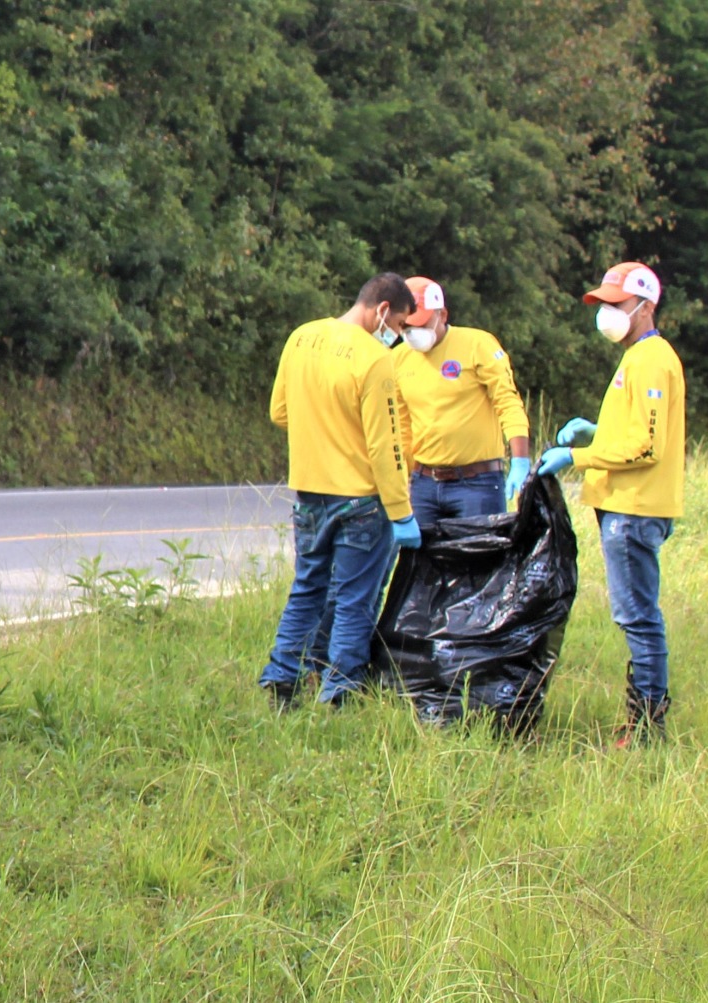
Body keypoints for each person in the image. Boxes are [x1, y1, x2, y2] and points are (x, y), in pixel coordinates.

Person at [259, 273, 423, 711]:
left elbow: (279, 412)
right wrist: (401, 512)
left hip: (309, 494)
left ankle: (282, 676)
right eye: (402, 326)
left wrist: (321, 428)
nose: (401, 336)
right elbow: (385, 447)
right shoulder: (374, 359)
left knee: (307, 588)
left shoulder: (301, 338)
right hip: (362, 502)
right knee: (354, 599)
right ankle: (339, 693)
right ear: (383, 310)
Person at [537, 261, 685, 746]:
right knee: (636, 615)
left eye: (616, 304)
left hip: (635, 509)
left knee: (638, 617)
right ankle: (644, 720)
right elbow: (635, 433)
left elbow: (646, 447)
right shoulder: (639, 357)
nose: (606, 313)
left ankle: (645, 727)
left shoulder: (651, 359)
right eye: (603, 304)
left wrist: (576, 456)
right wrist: (596, 432)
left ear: (646, 307)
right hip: (626, 505)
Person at [392, 276, 531, 524]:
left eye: (420, 324)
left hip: (477, 483)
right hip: (423, 483)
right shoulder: (399, 358)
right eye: (405, 326)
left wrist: (520, 459)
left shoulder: (477, 344)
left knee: (478, 559)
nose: (412, 333)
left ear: (442, 315)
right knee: (423, 562)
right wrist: (402, 480)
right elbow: (402, 426)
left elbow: (507, 402)